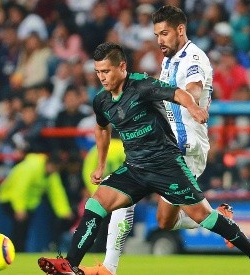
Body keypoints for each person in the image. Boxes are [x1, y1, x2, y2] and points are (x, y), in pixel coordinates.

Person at [37, 42, 250, 275]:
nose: (102, 77)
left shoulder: (141, 85)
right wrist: (100, 164)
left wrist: (194, 108)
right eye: (98, 72)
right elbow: (102, 128)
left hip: (166, 165)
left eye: (106, 71)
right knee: (96, 203)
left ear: (122, 67)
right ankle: (71, 265)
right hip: (135, 168)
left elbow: (179, 94)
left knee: (202, 216)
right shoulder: (101, 100)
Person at [82, 6, 231, 275]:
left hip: (186, 145)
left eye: (164, 33)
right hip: (163, 143)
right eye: (156, 34)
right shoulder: (168, 60)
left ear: (180, 30)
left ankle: (108, 267)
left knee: (125, 198)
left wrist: (191, 102)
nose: (159, 40)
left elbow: (193, 87)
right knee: (163, 221)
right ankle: (215, 217)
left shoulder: (193, 58)